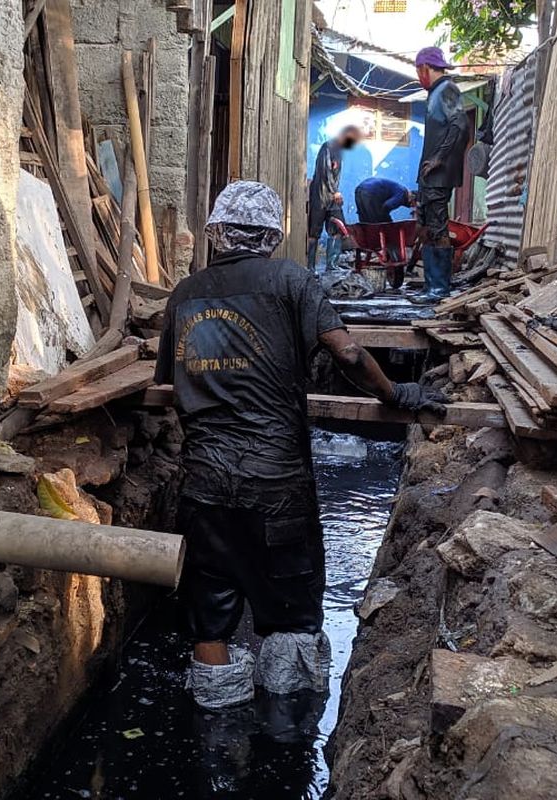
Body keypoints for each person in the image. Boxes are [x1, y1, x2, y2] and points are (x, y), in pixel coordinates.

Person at [155, 180, 449, 710]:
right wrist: (395, 392)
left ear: (217, 233)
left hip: (204, 486)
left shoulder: (184, 295)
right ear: (273, 236)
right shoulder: (293, 281)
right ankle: (286, 733)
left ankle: (215, 737)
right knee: (290, 614)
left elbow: (171, 380)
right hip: (278, 485)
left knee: (211, 606)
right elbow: (349, 354)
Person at [413, 46, 470, 302]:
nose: (418, 76)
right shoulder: (435, 93)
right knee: (426, 227)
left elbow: (460, 125)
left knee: (437, 228)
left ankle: (439, 289)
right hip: (428, 175)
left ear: (425, 68)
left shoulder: (447, 90)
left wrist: (439, 158)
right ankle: (430, 286)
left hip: (439, 175)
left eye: (418, 71)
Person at [307, 125, 362, 272]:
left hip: (333, 198)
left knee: (338, 227)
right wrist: (334, 191)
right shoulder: (327, 147)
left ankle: (332, 265)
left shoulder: (339, 152)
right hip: (320, 195)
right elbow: (325, 172)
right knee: (314, 232)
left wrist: (335, 193)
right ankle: (311, 268)